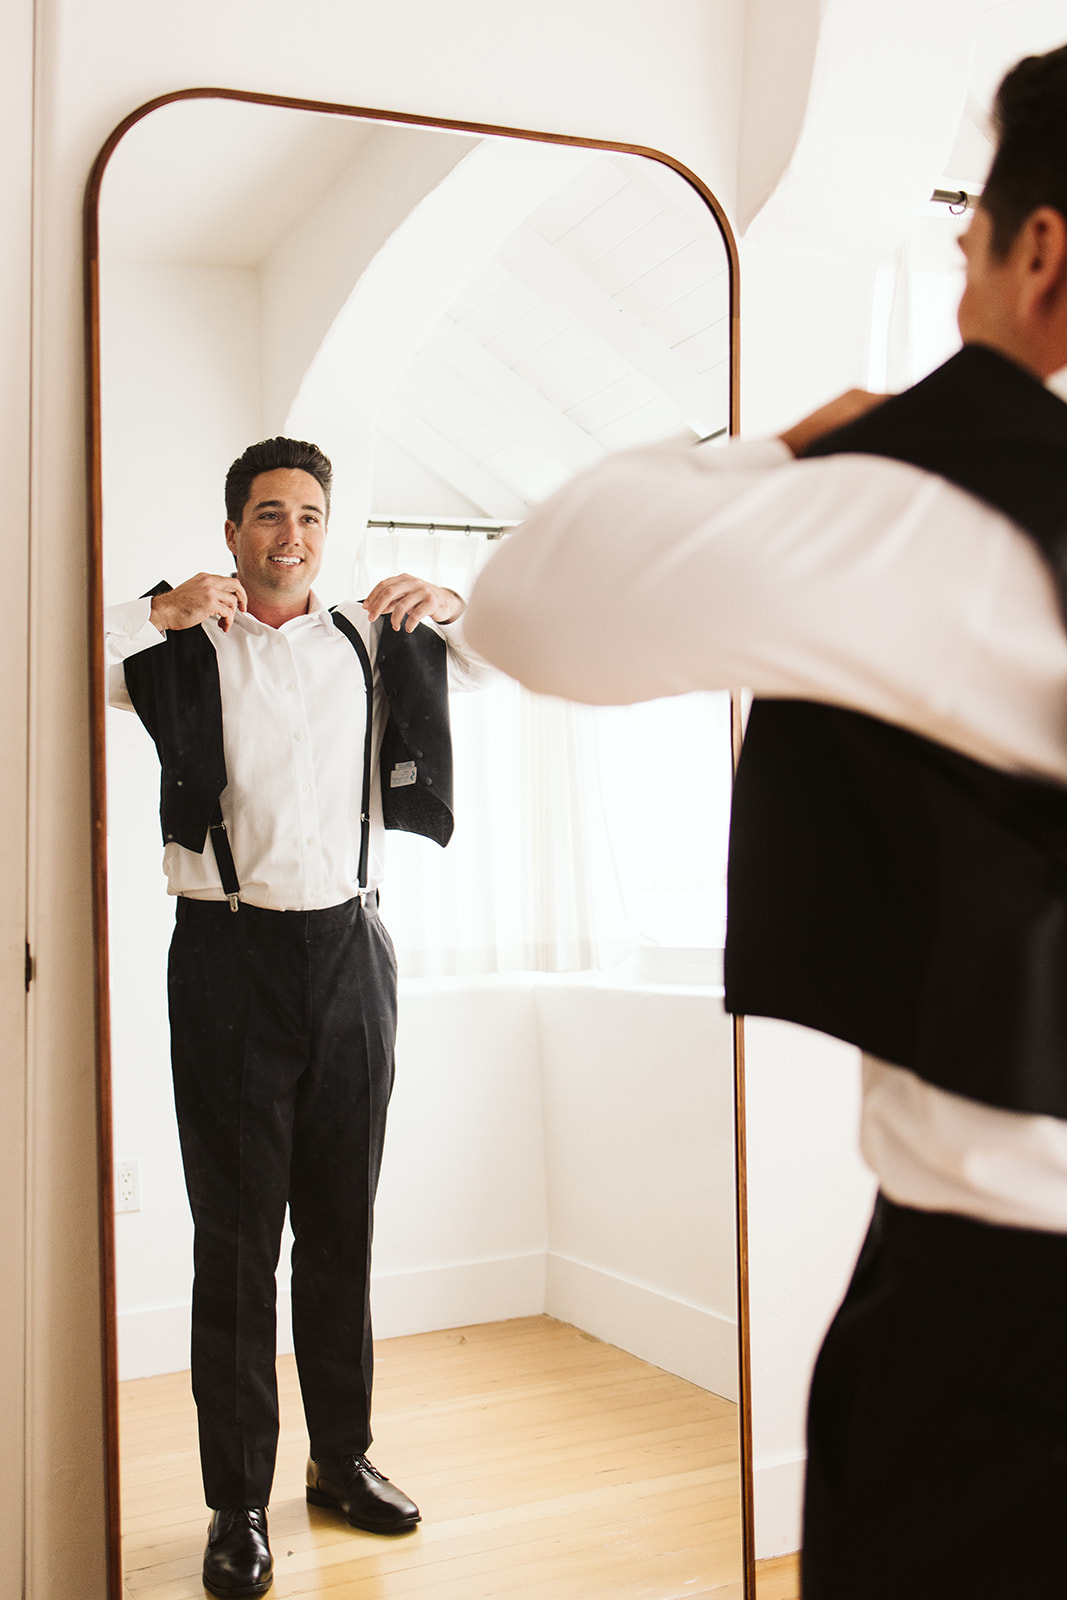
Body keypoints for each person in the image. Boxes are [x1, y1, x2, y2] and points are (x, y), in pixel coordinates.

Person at [464, 42, 1067, 1599]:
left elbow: (531, 604)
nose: (955, 260)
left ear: (1038, 249)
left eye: (962, 229)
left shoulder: (934, 504)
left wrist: (787, 447)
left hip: (1008, 1319)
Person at [106, 436, 484, 1599]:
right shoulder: (175, 647)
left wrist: (456, 593)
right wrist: (153, 600)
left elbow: (497, 655)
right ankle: (235, 1505)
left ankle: (340, 1459)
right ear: (232, 533)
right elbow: (51, 648)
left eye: (309, 515)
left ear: (328, 530)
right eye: (268, 514)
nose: (291, 535)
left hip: (351, 953)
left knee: (340, 1227)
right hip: (224, 953)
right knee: (234, 1244)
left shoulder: (374, 637)